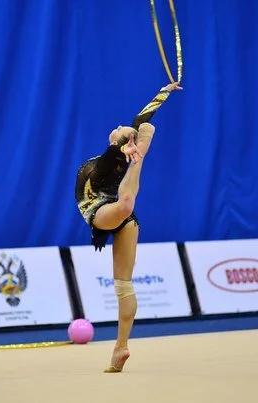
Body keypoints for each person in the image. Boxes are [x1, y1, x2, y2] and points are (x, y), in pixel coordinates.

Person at [74, 81, 182, 372]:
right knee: (143, 136)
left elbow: (141, 121)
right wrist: (162, 92)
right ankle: (136, 169)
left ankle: (120, 349)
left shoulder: (113, 156)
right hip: (100, 205)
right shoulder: (107, 161)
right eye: (121, 131)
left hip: (113, 207)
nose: (120, 127)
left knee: (124, 283)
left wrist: (164, 93)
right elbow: (138, 124)